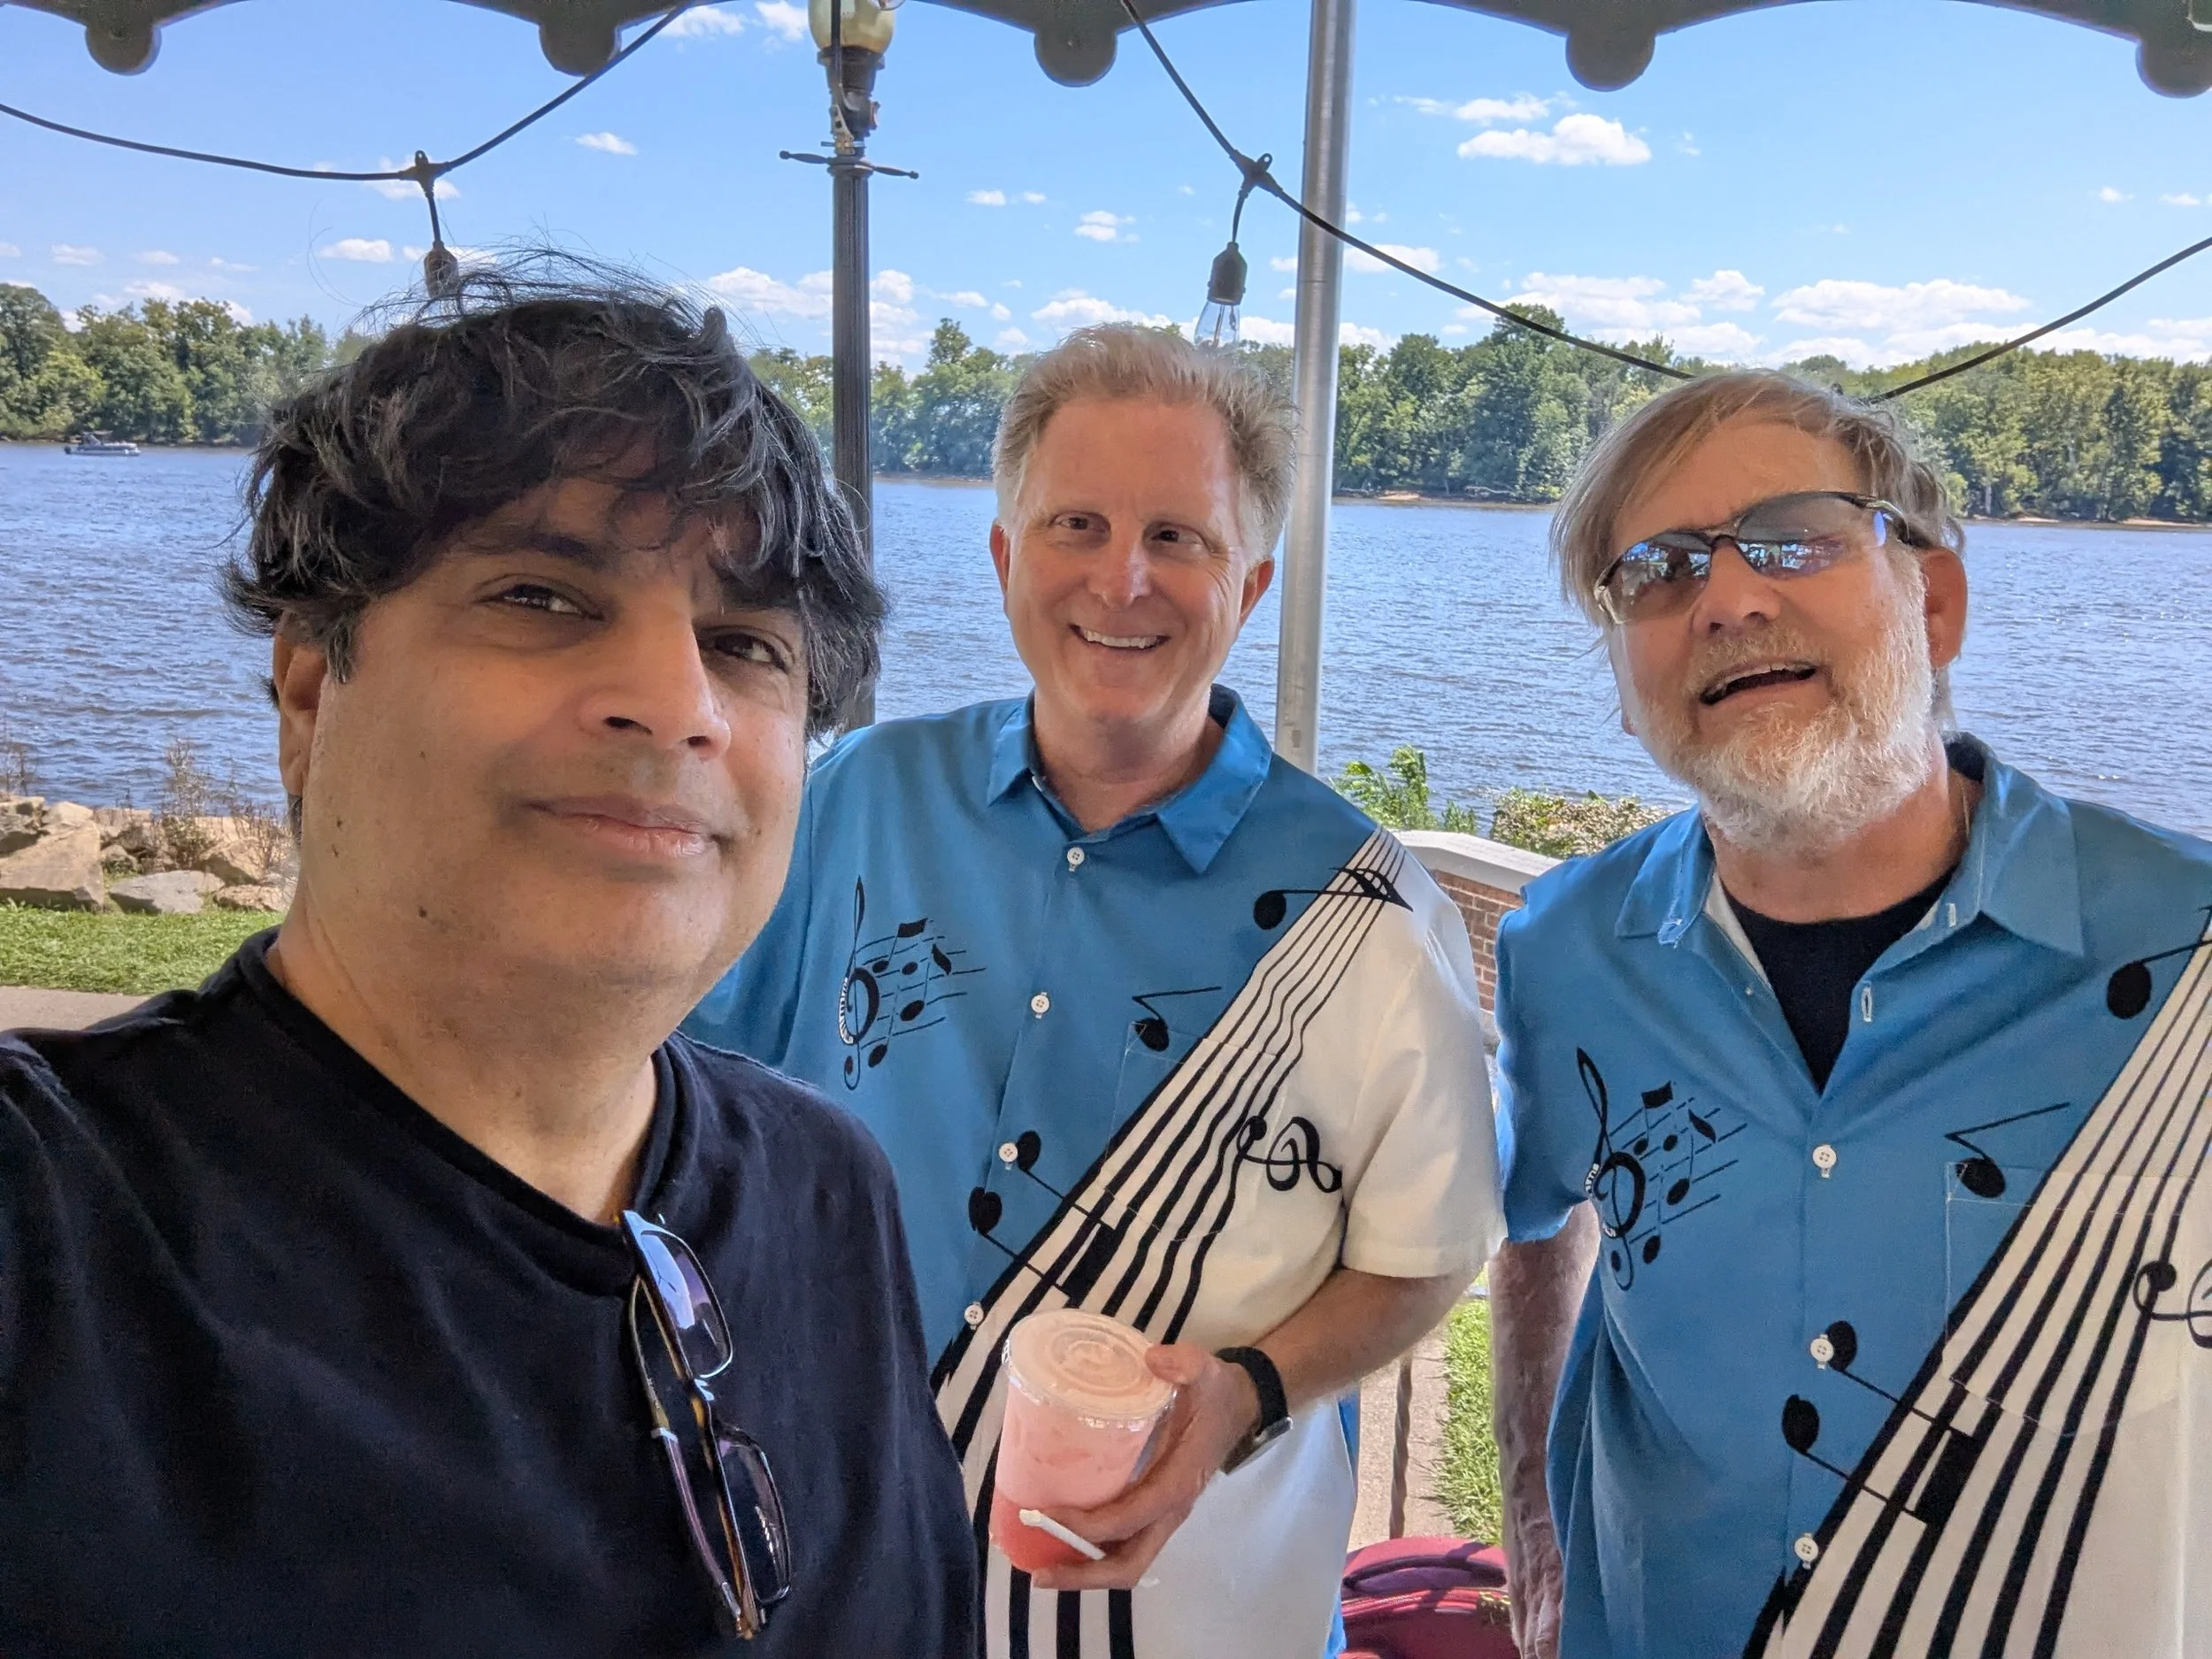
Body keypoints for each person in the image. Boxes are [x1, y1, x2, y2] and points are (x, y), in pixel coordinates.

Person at [0, 267, 977, 1657]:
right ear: (309, 685)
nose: (678, 703)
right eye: (543, 594)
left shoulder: (827, 1191)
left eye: (742, 642)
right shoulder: (57, 1232)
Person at [686, 323, 1505, 1659]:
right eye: (1078, 523)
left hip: (1200, 1616)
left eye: (1178, 537)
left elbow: (1427, 1254)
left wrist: (1249, 1390)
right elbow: (684, 1094)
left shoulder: (1371, 914)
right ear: (1006, 556)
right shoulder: (855, 800)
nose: (1122, 579)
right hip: (843, 1577)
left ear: (1250, 586)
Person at [1487, 369, 2212, 1659]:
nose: (1727, 598)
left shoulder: (2187, 956)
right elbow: (1538, 1220)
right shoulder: (1567, 951)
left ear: (1933, 602)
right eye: (1657, 569)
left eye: (1795, 537)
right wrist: (1535, 1525)